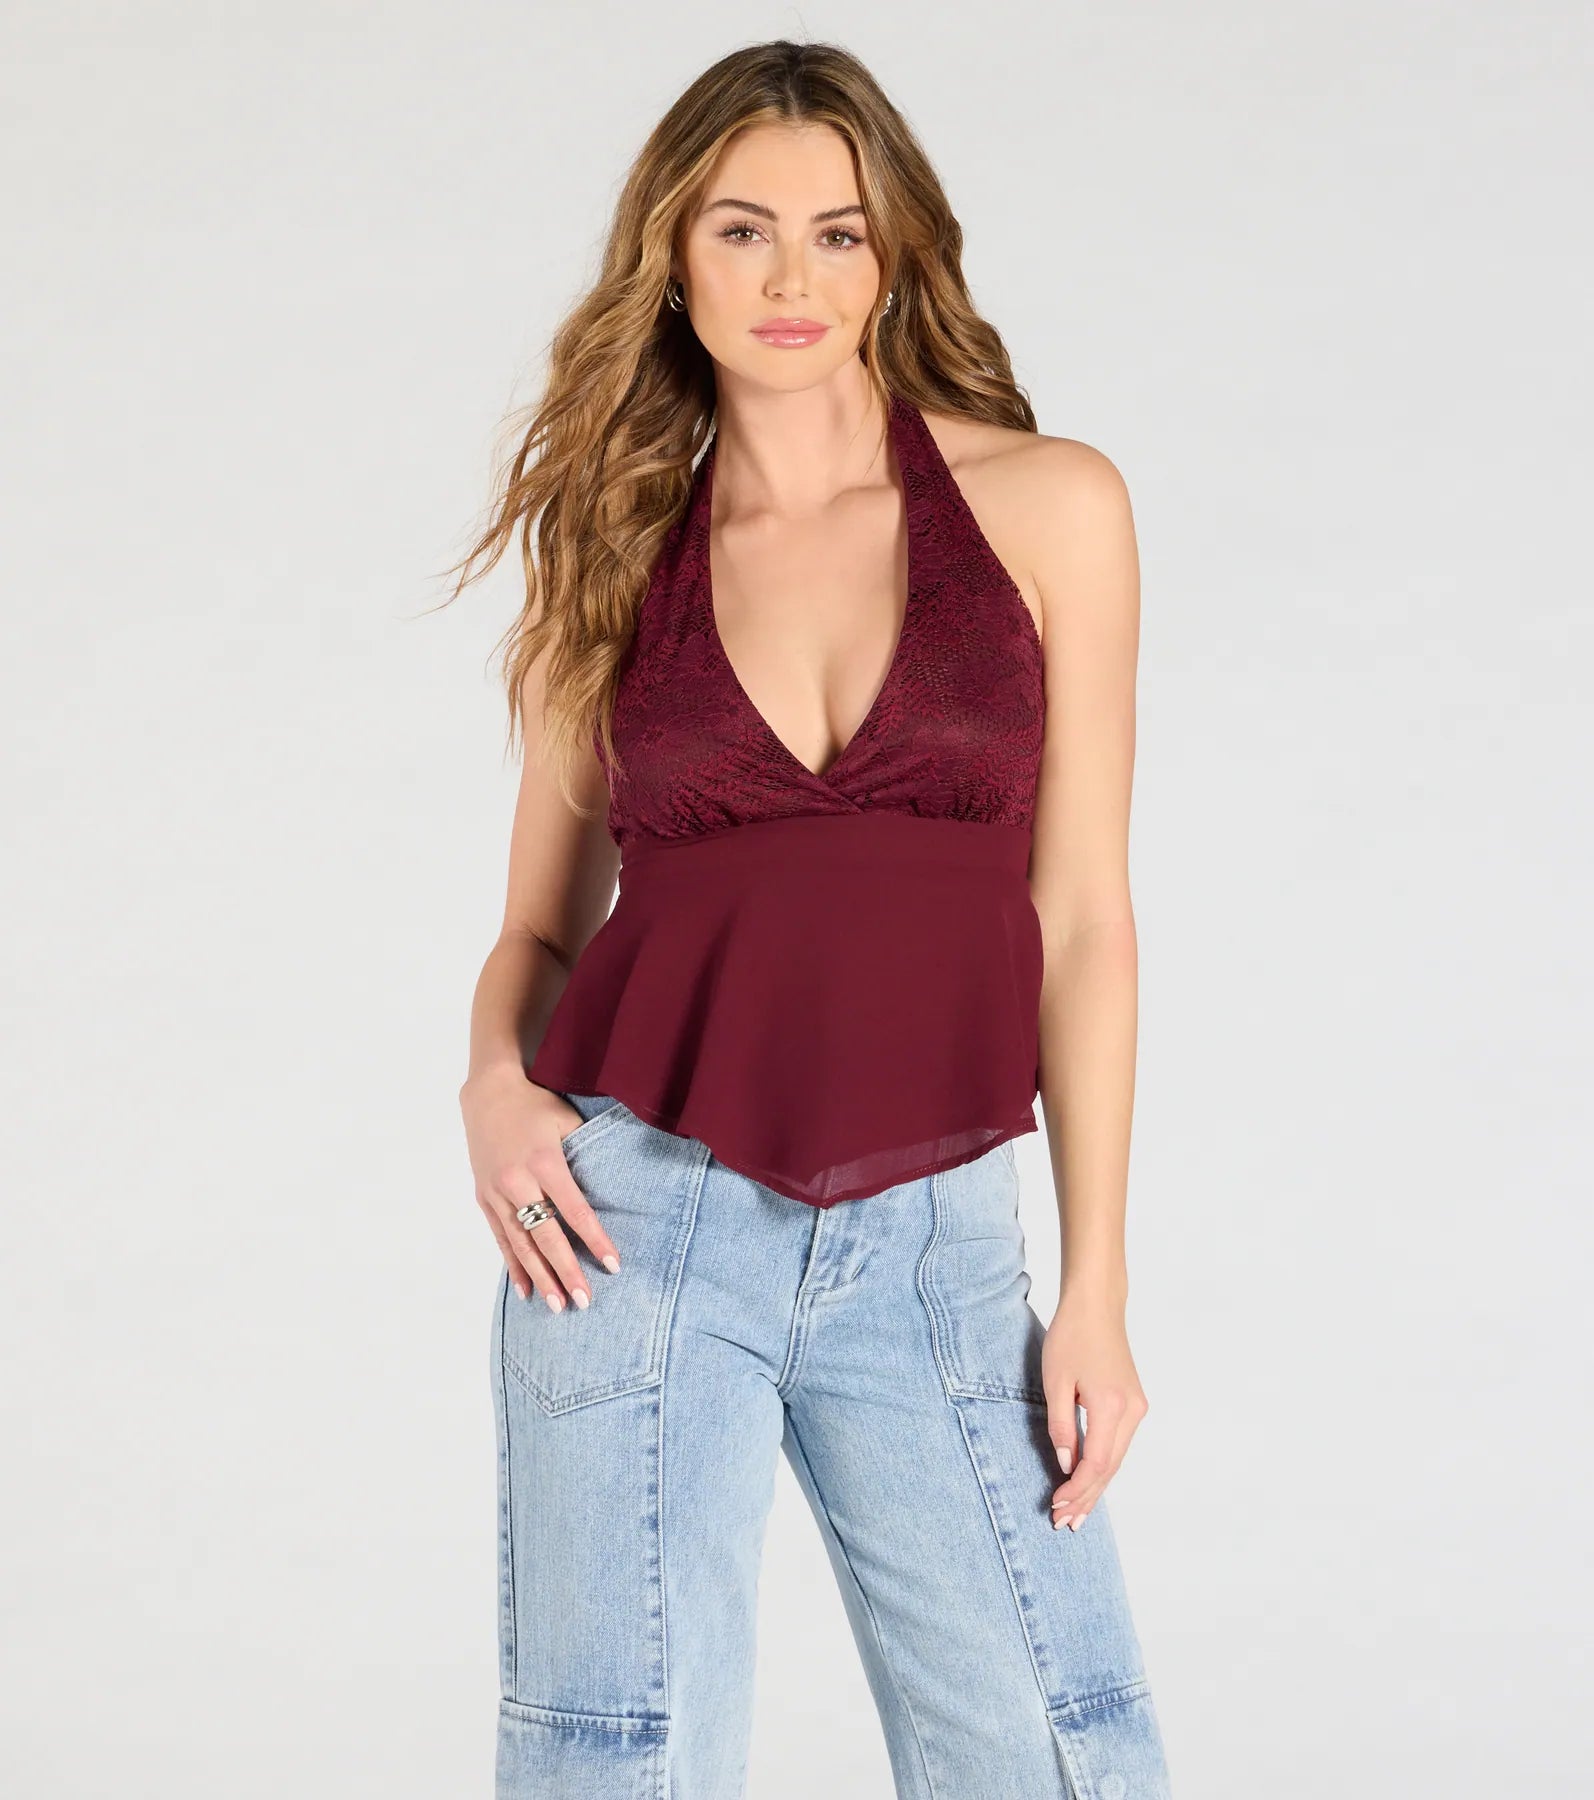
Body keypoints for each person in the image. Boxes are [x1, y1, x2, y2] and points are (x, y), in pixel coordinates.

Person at [445, 38, 1174, 1800]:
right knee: (617, 1761)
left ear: (892, 255)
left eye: (836, 234)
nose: (791, 279)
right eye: (741, 230)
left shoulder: (1048, 507)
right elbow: (540, 929)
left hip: (935, 1245)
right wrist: (490, 1082)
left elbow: (1083, 916)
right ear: (671, 260)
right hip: (630, 1224)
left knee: (1059, 1753)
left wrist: (1093, 1285)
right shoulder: (613, 553)